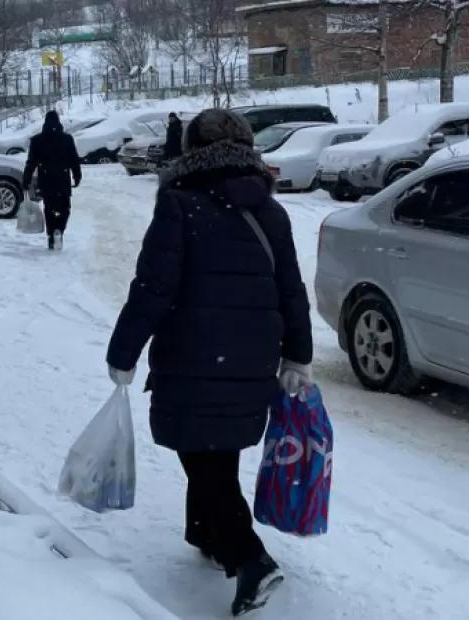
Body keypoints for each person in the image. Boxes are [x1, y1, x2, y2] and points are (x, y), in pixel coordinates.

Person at [105, 109, 313, 617]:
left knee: (204, 458)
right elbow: (291, 289)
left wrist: (123, 352)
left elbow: (154, 288)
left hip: (193, 355)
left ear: (191, 151)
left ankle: (250, 559)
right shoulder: (270, 211)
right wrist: (298, 355)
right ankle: (206, 533)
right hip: (251, 358)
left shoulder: (180, 205)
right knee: (216, 451)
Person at [22, 110, 82, 251]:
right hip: (63, 178)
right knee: (65, 208)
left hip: (46, 179)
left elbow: (31, 162)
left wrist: (27, 179)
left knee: (49, 208)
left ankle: (51, 236)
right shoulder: (67, 139)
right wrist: (77, 175)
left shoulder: (37, 140)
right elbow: (74, 159)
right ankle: (59, 229)